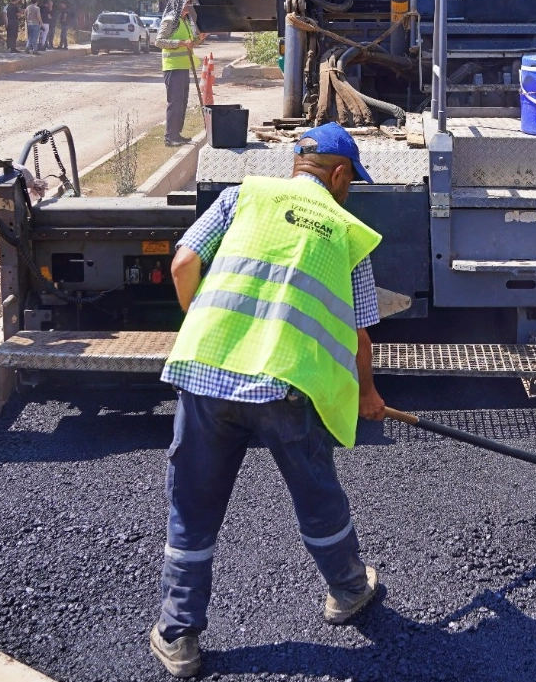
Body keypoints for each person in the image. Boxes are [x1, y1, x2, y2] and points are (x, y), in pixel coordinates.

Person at [149, 123, 386, 678]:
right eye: (352, 182)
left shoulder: (240, 196)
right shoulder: (347, 232)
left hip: (207, 375)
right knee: (316, 490)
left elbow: (184, 263)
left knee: (193, 507)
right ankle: (348, 591)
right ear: (340, 175)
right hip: (284, 386)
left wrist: (202, 324)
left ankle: (178, 636)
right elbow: (358, 335)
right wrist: (369, 394)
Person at [157, 0, 206, 146]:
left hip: (184, 67)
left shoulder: (184, 21)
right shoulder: (170, 20)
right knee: (175, 102)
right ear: (179, 4)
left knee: (182, 102)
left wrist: (199, 39)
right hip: (173, 68)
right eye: (187, 3)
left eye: (190, 3)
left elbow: (189, 44)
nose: (189, 6)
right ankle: (170, 137)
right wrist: (179, 42)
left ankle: (177, 134)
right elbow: (159, 42)